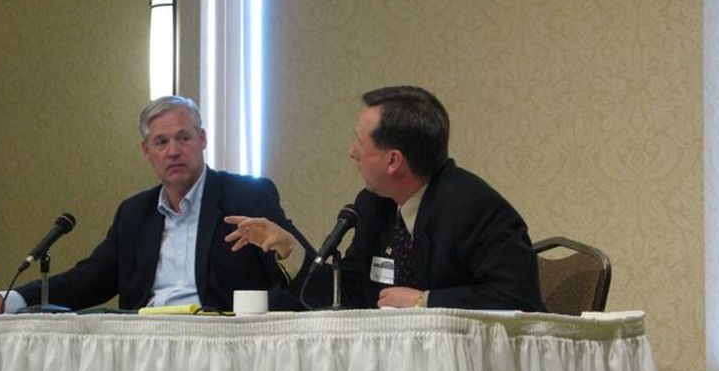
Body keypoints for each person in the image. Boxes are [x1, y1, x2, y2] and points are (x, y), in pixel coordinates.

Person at [0, 95, 313, 312]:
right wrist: (3, 301)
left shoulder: (249, 196)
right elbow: (89, 280)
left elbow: (310, 272)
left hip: (220, 348)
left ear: (202, 140)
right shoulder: (134, 213)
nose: (173, 151)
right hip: (143, 349)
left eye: (183, 138)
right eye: (161, 142)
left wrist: (287, 249)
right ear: (146, 151)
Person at [226, 85, 544, 311]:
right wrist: (288, 248)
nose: (352, 153)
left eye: (360, 143)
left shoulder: (474, 207)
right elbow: (346, 296)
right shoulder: (372, 206)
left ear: (393, 161)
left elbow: (517, 298)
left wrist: (425, 302)